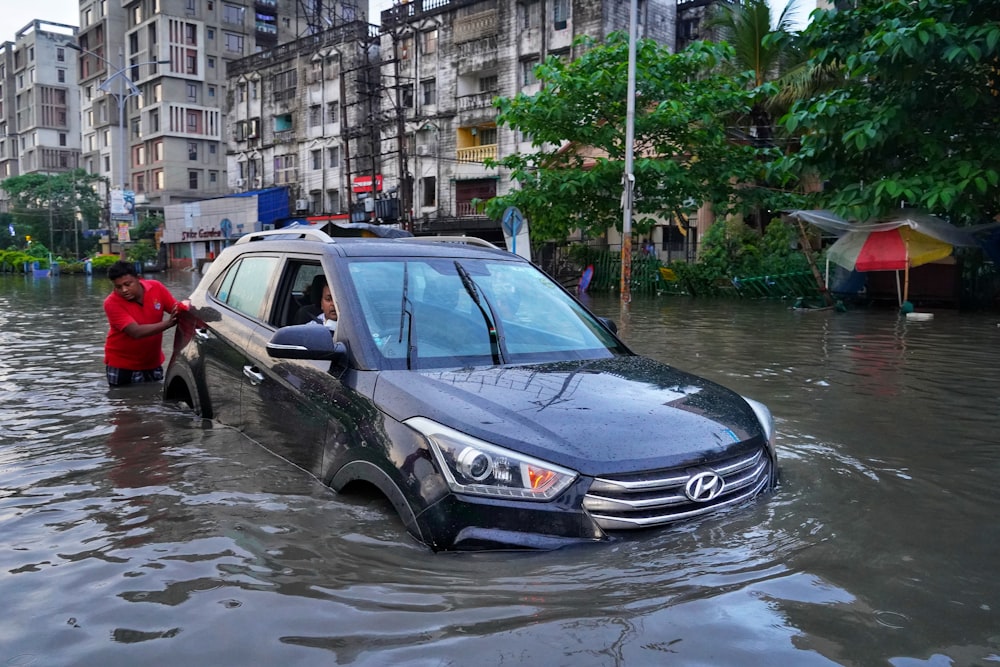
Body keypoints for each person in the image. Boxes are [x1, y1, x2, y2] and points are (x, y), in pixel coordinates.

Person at [103, 260, 180, 387]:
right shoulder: (111, 303)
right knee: (123, 403)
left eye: (128, 284)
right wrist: (168, 323)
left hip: (152, 362)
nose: (124, 290)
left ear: (138, 279)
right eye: (118, 287)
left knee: (154, 400)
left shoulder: (156, 288)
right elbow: (135, 332)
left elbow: (177, 309)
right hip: (122, 365)